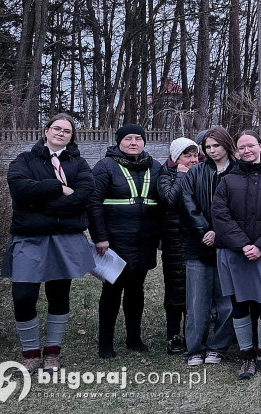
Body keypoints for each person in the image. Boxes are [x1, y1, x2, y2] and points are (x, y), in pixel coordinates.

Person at [4, 113, 95, 373]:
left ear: (71, 136)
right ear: (46, 130)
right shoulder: (25, 160)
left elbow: (83, 196)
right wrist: (58, 188)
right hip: (29, 238)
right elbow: (20, 190)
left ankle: (52, 353)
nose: (61, 133)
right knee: (23, 296)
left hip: (63, 239)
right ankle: (31, 353)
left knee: (59, 295)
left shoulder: (79, 164)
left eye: (67, 131)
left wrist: (40, 201)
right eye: (57, 128)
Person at [212, 130, 261, 380]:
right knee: (240, 304)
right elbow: (220, 216)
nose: (247, 151)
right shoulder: (226, 180)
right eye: (241, 147)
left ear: (260, 147)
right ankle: (246, 357)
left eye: (251, 146)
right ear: (236, 152)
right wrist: (244, 245)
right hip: (235, 253)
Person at [89, 124, 163, 359]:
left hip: (144, 241)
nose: (134, 143)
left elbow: (163, 203)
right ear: (119, 142)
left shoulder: (155, 166)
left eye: (138, 139)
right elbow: (93, 203)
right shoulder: (105, 166)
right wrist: (100, 237)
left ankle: (134, 338)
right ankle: (105, 344)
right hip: (115, 242)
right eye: (128, 138)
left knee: (136, 291)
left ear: (144, 142)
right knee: (112, 292)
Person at [179, 126, 236, 367]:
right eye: (208, 147)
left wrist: (219, 232)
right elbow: (187, 204)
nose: (212, 151)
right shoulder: (195, 173)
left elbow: (242, 209)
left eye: (216, 146)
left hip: (229, 245)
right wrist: (205, 230)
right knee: (197, 302)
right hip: (198, 244)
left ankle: (218, 346)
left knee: (226, 301)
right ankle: (195, 348)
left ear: (226, 145)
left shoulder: (237, 173)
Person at [157, 137, 200, 356]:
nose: (192, 160)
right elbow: (169, 199)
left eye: (195, 155)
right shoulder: (166, 174)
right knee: (175, 289)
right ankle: (173, 335)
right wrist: (181, 175)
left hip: (195, 239)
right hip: (173, 239)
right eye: (187, 155)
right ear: (176, 157)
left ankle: (191, 333)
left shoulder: (200, 172)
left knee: (194, 290)